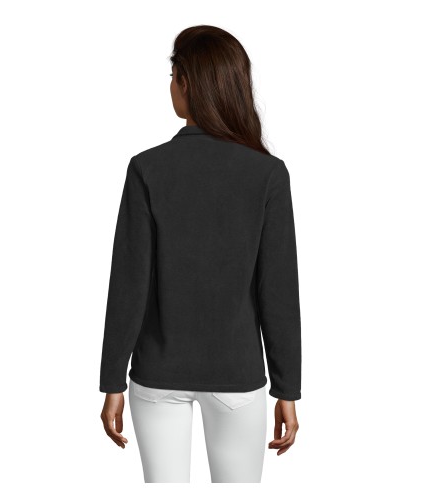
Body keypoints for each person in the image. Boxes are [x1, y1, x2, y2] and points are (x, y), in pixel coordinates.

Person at [99, 25, 302, 483]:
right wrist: (287, 388)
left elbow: (128, 284)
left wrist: (112, 380)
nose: (170, 86)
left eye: (173, 75)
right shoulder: (268, 174)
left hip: (157, 374)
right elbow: (278, 293)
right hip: (237, 376)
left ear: (186, 82)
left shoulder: (147, 168)